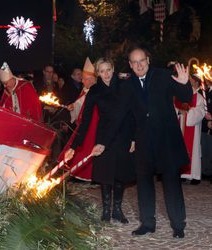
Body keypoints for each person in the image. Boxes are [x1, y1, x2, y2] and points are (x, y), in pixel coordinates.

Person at [92, 46, 193, 238]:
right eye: (134, 62)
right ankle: (147, 223)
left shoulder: (163, 76)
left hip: (166, 141)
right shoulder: (127, 85)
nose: (138, 65)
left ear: (148, 60)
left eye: (142, 61)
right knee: (144, 184)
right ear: (130, 65)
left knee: (171, 184)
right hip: (143, 142)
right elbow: (119, 116)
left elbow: (186, 98)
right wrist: (103, 143)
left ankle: (178, 225)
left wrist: (184, 84)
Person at [65, 58, 135, 223]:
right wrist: (74, 146)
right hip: (104, 137)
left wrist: (133, 138)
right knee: (106, 174)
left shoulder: (124, 86)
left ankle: (117, 209)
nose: (106, 74)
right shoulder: (95, 91)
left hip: (123, 135)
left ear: (113, 69)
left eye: (108, 70)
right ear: (98, 73)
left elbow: (132, 114)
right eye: (102, 71)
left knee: (119, 175)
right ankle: (106, 209)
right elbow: (86, 121)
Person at [58, 57, 97, 181]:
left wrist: (75, 106)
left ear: (93, 79)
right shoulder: (85, 90)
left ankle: (86, 174)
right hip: (84, 123)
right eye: (83, 78)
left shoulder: (94, 91)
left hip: (93, 123)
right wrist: (73, 106)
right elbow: (80, 103)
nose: (82, 81)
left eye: (85, 79)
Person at [175, 74, 205, 184]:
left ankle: (195, 176)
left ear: (196, 82)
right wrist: (179, 112)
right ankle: (183, 173)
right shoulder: (183, 94)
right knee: (181, 148)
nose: (189, 81)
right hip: (182, 125)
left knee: (194, 149)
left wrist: (188, 112)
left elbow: (201, 111)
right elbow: (176, 106)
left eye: (191, 80)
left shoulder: (199, 97)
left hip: (193, 127)